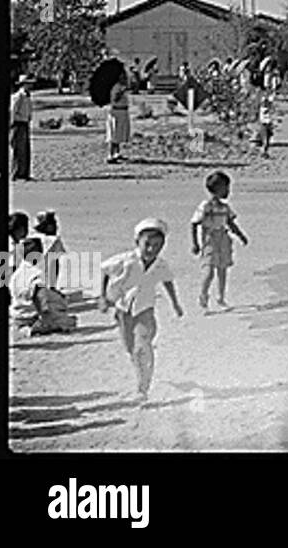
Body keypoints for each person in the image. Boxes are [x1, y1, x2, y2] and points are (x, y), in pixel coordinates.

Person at [100, 218, 184, 404]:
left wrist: (175, 304)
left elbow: (167, 281)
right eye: (147, 244)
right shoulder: (125, 260)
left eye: (157, 245)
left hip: (145, 310)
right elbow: (104, 271)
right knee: (130, 348)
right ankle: (141, 371)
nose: (152, 249)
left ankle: (142, 388)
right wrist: (103, 297)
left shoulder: (161, 265)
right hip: (123, 309)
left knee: (142, 346)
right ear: (137, 242)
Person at [190, 170, 249, 312]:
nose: (228, 191)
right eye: (225, 187)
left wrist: (240, 235)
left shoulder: (225, 208)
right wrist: (195, 243)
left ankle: (221, 297)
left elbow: (230, 222)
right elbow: (194, 223)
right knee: (209, 271)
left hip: (223, 239)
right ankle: (203, 297)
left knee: (223, 269)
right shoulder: (206, 206)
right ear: (216, 189)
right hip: (210, 240)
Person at [10, 236, 77, 335]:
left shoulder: (18, 273)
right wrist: (46, 317)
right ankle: (35, 327)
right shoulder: (36, 274)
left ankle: (23, 327)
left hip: (17, 314)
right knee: (68, 322)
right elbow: (39, 297)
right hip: (32, 315)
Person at [10, 74, 34, 181]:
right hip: (18, 124)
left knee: (25, 149)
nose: (31, 85)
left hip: (25, 123)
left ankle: (24, 173)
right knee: (18, 149)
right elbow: (13, 111)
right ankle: (15, 173)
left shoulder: (27, 96)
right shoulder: (17, 97)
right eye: (29, 83)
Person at [106, 68, 131, 164]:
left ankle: (117, 153)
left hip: (123, 111)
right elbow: (115, 99)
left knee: (120, 133)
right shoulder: (115, 87)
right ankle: (110, 154)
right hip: (116, 112)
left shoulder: (121, 86)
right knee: (114, 134)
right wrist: (121, 92)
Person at [256, 90, 276, 157]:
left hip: (268, 125)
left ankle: (264, 152)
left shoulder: (269, 108)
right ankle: (263, 152)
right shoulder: (263, 109)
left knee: (268, 140)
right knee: (265, 141)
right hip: (264, 125)